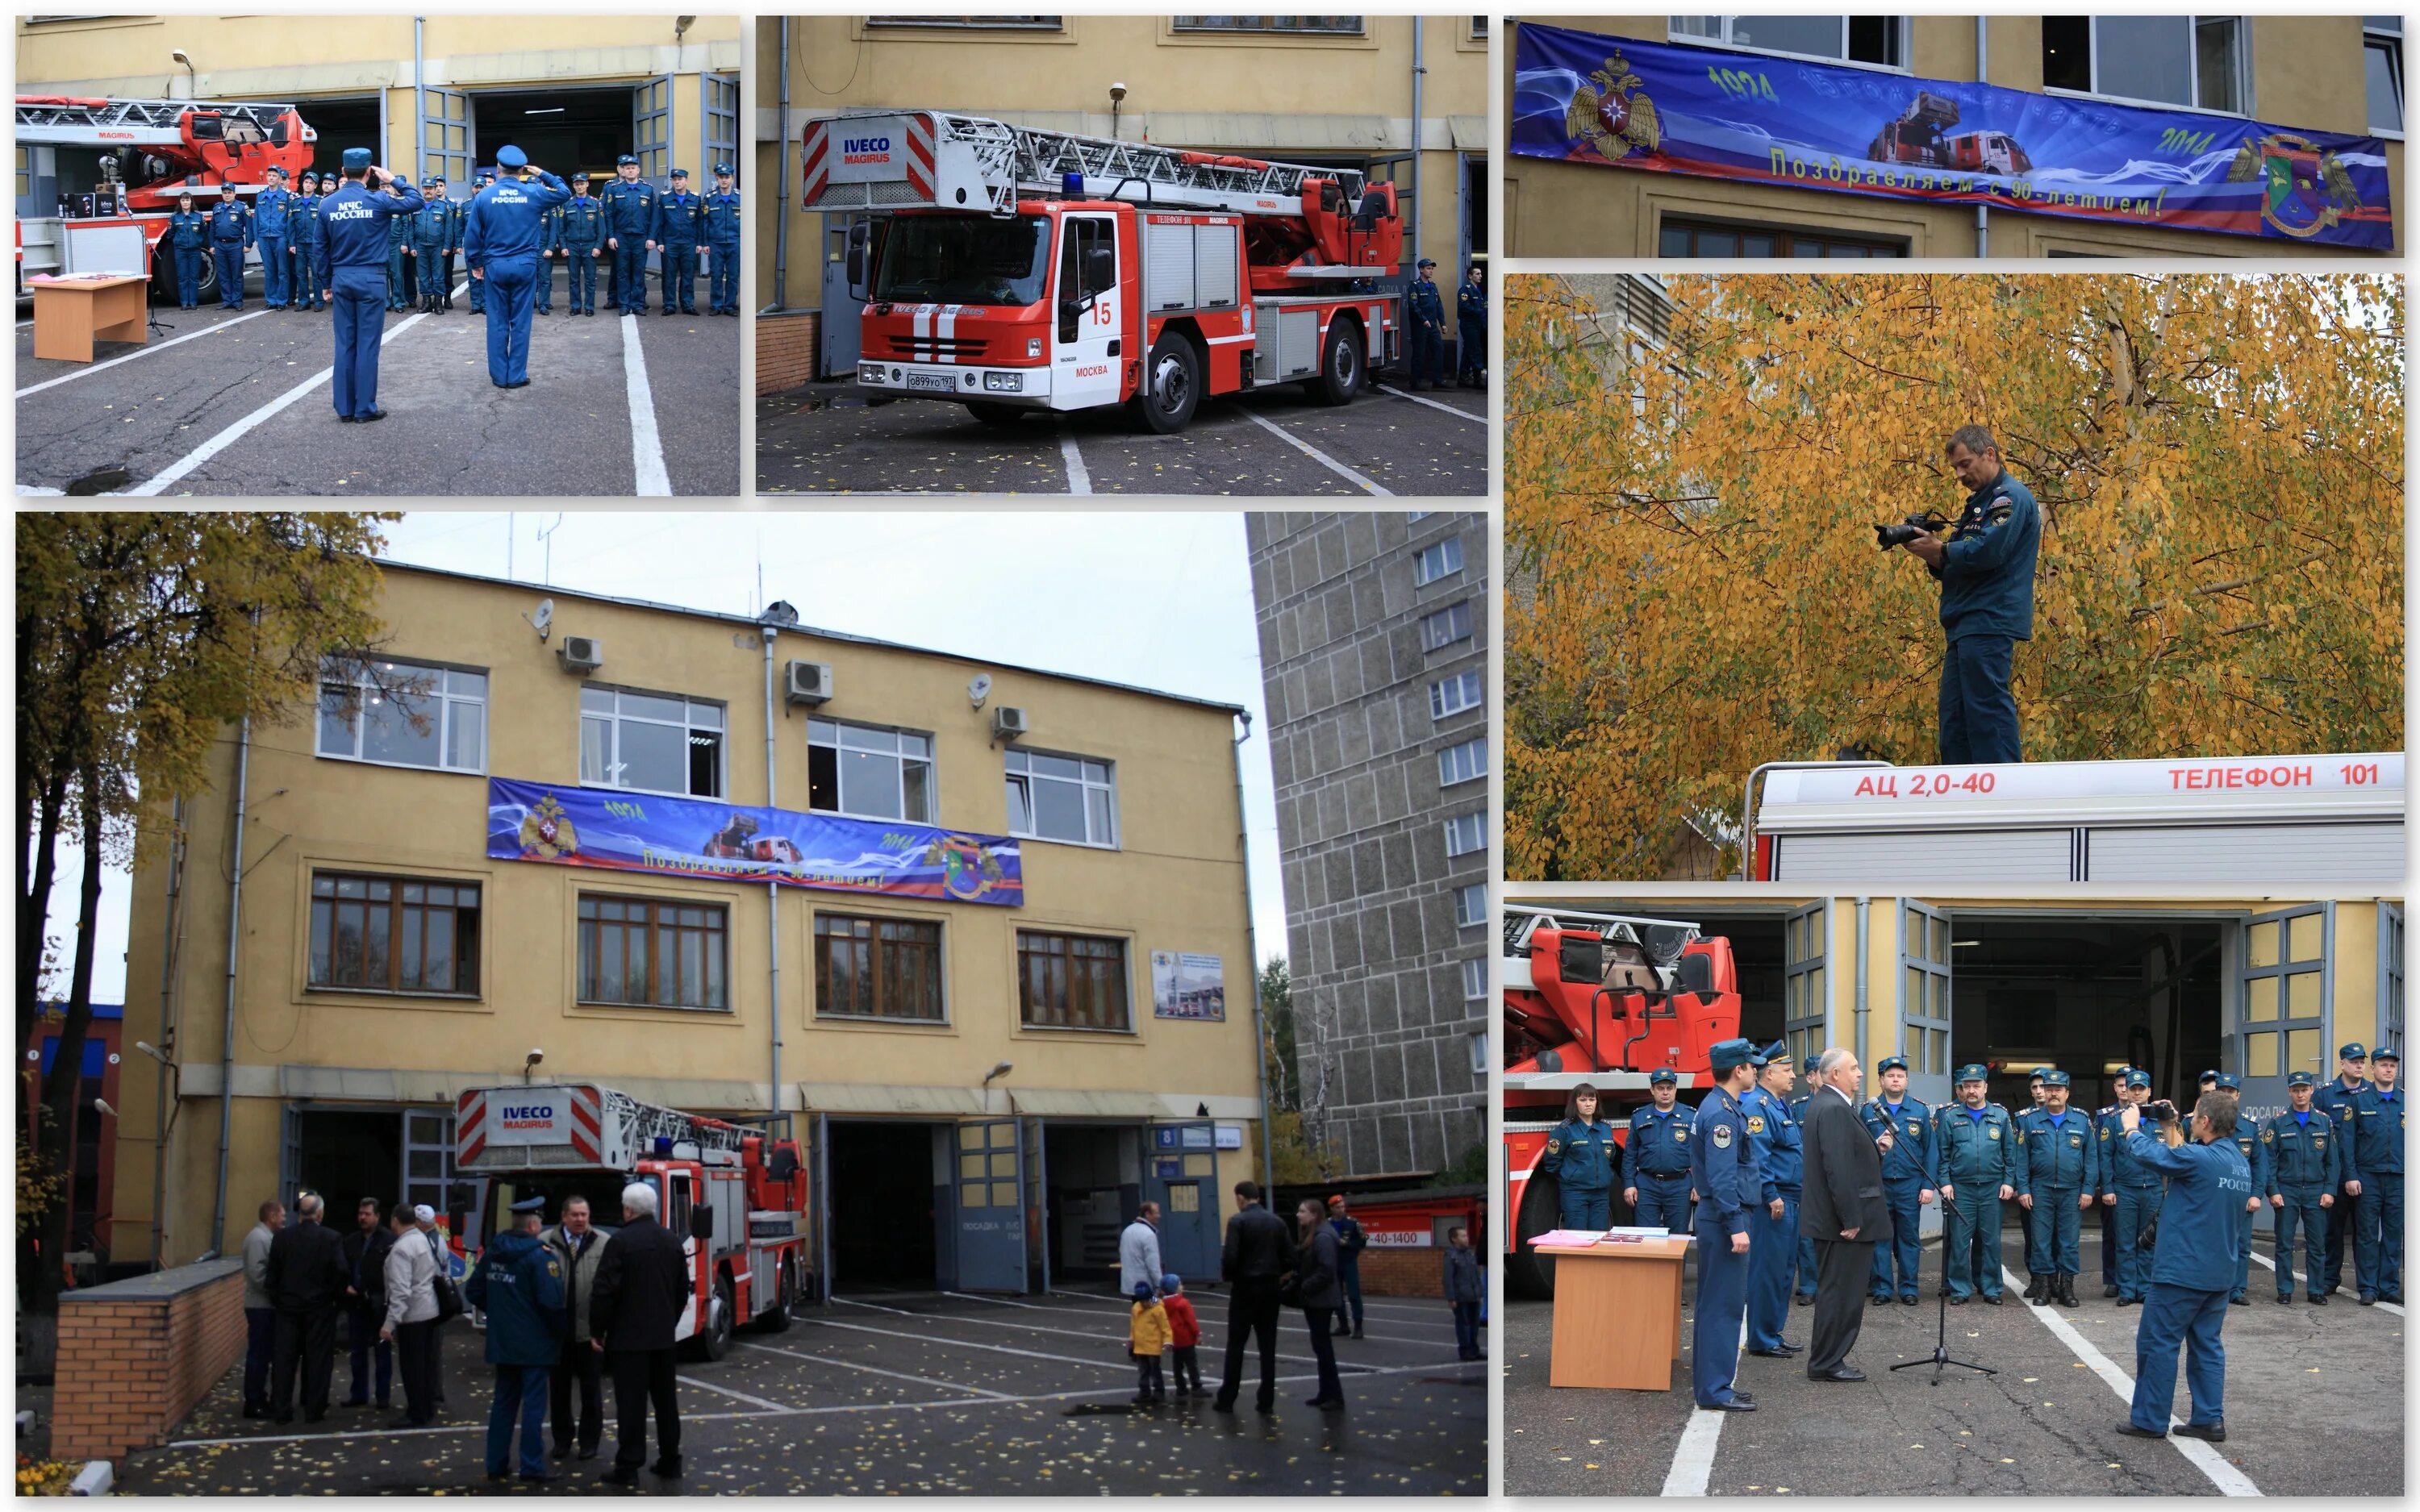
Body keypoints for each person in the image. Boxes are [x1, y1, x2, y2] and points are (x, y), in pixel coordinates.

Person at [1895, 423, 2040, 764]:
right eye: (1955, 468)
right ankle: (1961, 800)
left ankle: (2003, 796)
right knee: (1955, 720)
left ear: (1989, 454)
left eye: (1965, 464)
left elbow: (1989, 552)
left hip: (1989, 618)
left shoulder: (2010, 498)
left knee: (1986, 711)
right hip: (1964, 622)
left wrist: (1942, 550)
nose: (1960, 474)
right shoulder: (1978, 506)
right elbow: (1961, 557)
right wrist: (1932, 553)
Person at [2114, 1092, 2250, 1443]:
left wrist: (2131, 1130)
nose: (2190, 1118)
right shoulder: (2237, 1161)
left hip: (2182, 1271)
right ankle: (2208, 1419)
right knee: (2206, 1345)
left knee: (2157, 1343)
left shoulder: (2201, 1159)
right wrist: (2168, 1125)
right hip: (2219, 1272)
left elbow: (2156, 1155)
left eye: (2194, 1116)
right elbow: (2184, 1158)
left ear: (2206, 1122)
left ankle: (2149, 1419)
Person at [313, 150, 425, 423]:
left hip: (342, 278)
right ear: (369, 173)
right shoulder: (379, 199)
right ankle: (364, 408)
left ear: (342, 172)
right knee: (367, 345)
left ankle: (345, 408)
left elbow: (320, 249)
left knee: (344, 344)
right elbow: (417, 201)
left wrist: (325, 282)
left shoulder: (327, 204)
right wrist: (394, 179)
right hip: (372, 279)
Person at [1800, 1047, 1889, 1385]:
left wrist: (1874, 1150)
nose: (1860, 1073)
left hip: (1835, 1219)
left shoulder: (1830, 1104)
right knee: (1842, 1295)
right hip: (1842, 1224)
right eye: (1853, 1068)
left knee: (1839, 1292)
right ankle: (1827, 1361)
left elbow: (1845, 1159)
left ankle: (1827, 1359)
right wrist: (1851, 1218)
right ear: (1835, 1074)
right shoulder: (1834, 1107)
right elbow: (1836, 1169)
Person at [590, 1181, 687, 1484]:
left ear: (628, 1209)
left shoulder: (620, 1242)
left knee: (631, 1405)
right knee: (666, 1403)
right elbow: (682, 1289)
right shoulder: (671, 1240)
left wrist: (598, 1330)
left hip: (628, 1338)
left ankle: (629, 1466)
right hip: (662, 1337)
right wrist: (668, 1320)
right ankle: (670, 1459)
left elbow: (604, 1290)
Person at [465, 1196, 566, 1483]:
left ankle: (495, 1463)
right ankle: (531, 1465)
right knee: (533, 1407)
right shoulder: (541, 1256)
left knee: (503, 1405)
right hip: (534, 1345)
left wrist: (500, 1314)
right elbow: (552, 1303)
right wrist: (558, 1333)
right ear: (534, 1226)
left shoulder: (494, 1253)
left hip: (503, 1342)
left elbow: (474, 1291)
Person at [1688, 1037, 1761, 1408]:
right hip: (1723, 1218)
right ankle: (1715, 1390)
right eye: (1752, 1066)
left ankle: (1712, 1385)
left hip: (1719, 1216)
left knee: (1713, 1304)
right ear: (1738, 1070)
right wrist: (1736, 1225)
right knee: (1723, 1306)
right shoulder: (1720, 1113)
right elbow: (1721, 1177)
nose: (1756, 1071)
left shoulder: (1720, 1107)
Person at [462, 144, 572, 389]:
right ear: (522, 170)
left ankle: (500, 376)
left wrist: (475, 263)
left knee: (497, 321)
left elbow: (471, 237)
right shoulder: (533, 192)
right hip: (524, 264)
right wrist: (543, 174)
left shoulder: (484, 196)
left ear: (498, 169)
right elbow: (565, 192)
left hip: (495, 265)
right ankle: (517, 375)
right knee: (520, 322)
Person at [2013, 1068, 2101, 1309]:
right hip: (2040, 1189)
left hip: (2072, 1190)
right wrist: (2023, 1188)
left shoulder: (2082, 1121)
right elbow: (2021, 1158)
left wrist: (2088, 1189)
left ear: (2067, 1093)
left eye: (2057, 1090)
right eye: (2049, 1089)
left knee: (2069, 1241)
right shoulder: (2030, 1121)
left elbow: (2091, 1158)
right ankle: (2043, 1288)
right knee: (2040, 1241)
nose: (2052, 1094)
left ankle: (2067, 1289)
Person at [265, 1190, 350, 1422]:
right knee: (318, 1360)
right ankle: (314, 1408)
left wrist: (278, 1299)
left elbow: (271, 1275)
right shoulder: (331, 1238)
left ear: (300, 1214)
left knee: (284, 1360)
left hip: (288, 1309)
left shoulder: (282, 1238)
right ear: (319, 1214)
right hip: (319, 1308)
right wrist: (336, 1299)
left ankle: (281, 1409)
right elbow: (341, 1271)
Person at [1741, 1042, 1803, 1358]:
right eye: (1787, 1070)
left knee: (1783, 1270)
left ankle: (1773, 1333)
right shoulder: (1758, 1105)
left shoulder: (1779, 1104)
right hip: (1773, 1202)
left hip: (1790, 1198)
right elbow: (1758, 1157)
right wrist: (1771, 1194)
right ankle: (1762, 1338)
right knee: (1767, 1271)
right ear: (1769, 1073)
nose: (1794, 1075)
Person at [1859, 1056, 1937, 1306]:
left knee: (1909, 1239)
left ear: (1906, 1080)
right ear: (1881, 1081)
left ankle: (1909, 1288)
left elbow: (1930, 1151)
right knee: (1880, 1238)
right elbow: (1858, 1150)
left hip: (1910, 1185)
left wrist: (1927, 1186)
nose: (1896, 1079)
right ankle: (1882, 1288)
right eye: (1890, 1076)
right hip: (1878, 1184)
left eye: (1900, 1076)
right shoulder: (1868, 1110)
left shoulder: (1919, 1110)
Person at [1935, 1064, 2016, 1305]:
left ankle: (1991, 1289)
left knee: (1991, 1242)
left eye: (1976, 1086)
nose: (1972, 1090)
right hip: (1962, 1189)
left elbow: (2010, 1154)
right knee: (1959, 1242)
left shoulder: (2000, 1116)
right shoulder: (1951, 1117)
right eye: (1967, 1086)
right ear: (1962, 1089)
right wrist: (1945, 1183)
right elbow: (1943, 1156)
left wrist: (2009, 1182)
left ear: (1985, 1087)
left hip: (1992, 1187)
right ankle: (1960, 1290)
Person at [2264, 1071, 2345, 1305]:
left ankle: (2316, 1290)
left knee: (2318, 1244)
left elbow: (2333, 1161)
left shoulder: (2324, 1121)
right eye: (2296, 1090)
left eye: (2304, 1089)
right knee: (2284, 1243)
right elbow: (2269, 1160)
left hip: (2316, 1190)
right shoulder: (2278, 1122)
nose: (2300, 1094)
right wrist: (2273, 1190)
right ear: (2290, 1092)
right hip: (2287, 1190)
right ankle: (2285, 1290)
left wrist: (2330, 1190)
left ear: (2312, 1090)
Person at [1212, 1181, 1289, 1414]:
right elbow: (1290, 1256)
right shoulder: (1277, 1222)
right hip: (1270, 1288)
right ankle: (1266, 1399)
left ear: (1240, 1198)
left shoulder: (1238, 1221)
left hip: (1245, 1288)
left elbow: (1231, 1257)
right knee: (1268, 1345)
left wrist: (1231, 1277)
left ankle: (1228, 1397)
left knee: (1236, 1344)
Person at [544, 1194, 611, 1460]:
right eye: (575, 1215)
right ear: (564, 1217)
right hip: (557, 1333)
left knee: (591, 1391)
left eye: (584, 1215)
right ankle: (562, 1441)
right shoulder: (545, 1243)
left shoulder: (604, 1243)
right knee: (559, 1391)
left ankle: (589, 1442)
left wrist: (604, 1328)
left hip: (590, 1333)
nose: (580, 1219)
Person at [2101, 1070, 2166, 1307]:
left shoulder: (2162, 1119)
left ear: (2149, 1092)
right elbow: (2105, 1158)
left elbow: (2175, 1151)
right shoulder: (2113, 1120)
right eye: (2133, 1088)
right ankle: (2128, 1289)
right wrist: (2107, 1188)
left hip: (2153, 1189)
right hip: (2125, 1189)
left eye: (2142, 1088)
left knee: (2149, 1241)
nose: (2137, 1092)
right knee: (2125, 1242)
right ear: (2125, 1091)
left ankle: (2146, 1289)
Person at [378, 1205, 441, 1426]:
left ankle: (416, 1412)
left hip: (412, 1314)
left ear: (395, 1220)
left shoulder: (402, 1248)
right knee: (424, 1365)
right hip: (428, 1309)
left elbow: (401, 1290)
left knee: (412, 1367)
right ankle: (426, 1408)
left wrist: (389, 1323)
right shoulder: (423, 1239)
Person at [2316, 1043, 2371, 1296]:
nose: (2359, 1065)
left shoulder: (2371, 1092)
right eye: (2354, 1061)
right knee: (2333, 1230)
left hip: (2366, 1173)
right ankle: (2329, 1279)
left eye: (2362, 1061)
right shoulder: (2326, 1095)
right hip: (2336, 1175)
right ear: (2342, 1064)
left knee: (2366, 1231)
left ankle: (2368, 1283)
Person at [2351, 1047, 2403, 1305]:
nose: (2389, 1069)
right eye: (2383, 1065)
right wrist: (2351, 1176)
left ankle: (2390, 1286)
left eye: (2392, 1065)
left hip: (2400, 1178)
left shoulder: (2407, 1101)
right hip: (2368, 1177)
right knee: (2368, 1235)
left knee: (2394, 1235)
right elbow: (2347, 1143)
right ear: (2373, 1069)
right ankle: (2369, 1288)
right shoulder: (2360, 1100)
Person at [2208, 1073, 2265, 1305]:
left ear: (2238, 1095)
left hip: (2242, 1197)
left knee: (2241, 1246)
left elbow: (2260, 1164)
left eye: (2231, 1092)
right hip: (2214, 1196)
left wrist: (2256, 1195)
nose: (2227, 1096)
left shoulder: (2250, 1127)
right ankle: (2213, 1287)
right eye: (2222, 1092)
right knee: (2213, 1243)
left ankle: (2237, 1289)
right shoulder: (2207, 1124)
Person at [1288, 1198, 1345, 1410]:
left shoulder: (1323, 1237)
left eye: (1302, 1211)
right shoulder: (1316, 1235)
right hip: (1317, 1299)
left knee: (1324, 1348)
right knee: (1320, 1347)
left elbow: (1326, 1270)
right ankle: (1325, 1392)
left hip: (1322, 1299)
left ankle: (1334, 1395)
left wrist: (1305, 1287)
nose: (1298, 1214)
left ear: (1314, 1215)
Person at [340, 1196, 395, 1408]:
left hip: (378, 1303)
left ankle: (383, 1397)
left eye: (367, 1214)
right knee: (357, 1352)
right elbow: (343, 1266)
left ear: (377, 1216)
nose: (362, 1218)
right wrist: (346, 1286)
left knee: (382, 1352)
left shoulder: (388, 1240)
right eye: (360, 1214)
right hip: (357, 1303)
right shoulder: (351, 1241)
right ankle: (358, 1394)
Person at [1621, 1069, 1692, 1233]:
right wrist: (1629, 1185)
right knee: (1647, 1239)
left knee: (1678, 1239)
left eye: (1669, 1087)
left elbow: (1699, 1154)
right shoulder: (1639, 1116)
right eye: (1660, 1088)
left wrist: (1699, 1185)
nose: (1665, 1092)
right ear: (1652, 1090)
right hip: (1647, 1186)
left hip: (1680, 1186)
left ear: (1675, 1089)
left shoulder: (1690, 1116)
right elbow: (1630, 1154)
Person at [1546, 1081, 1617, 1231]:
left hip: (1601, 1194)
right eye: (1583, 1100)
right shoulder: (1564, 1130)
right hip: (1575, 1194)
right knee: (1577, 1238)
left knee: (1600, 1237)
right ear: (1574, 1103)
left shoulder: (1605, 1128)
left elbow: (1610, 1157)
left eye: (1592, 1100)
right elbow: (1552, 1162)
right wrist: (1570, 1178)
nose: (1588, 1104)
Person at [240, 1199, 285, 1418]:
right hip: (261, 1306)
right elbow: (259, 1275)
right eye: (282, 1215)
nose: (284, 1219)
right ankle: (254, 1400)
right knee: (259, 1355)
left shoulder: (264, 1237)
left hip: (263, 1305)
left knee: (263, 1353)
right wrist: (277, 1292)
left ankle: (258, 1396)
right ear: (272, 1216)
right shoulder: (259, 1238)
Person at [600, 154, 657, 316]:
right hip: (621, 237)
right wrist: (610, 236)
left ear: (638, 170)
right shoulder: (615, 189)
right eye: (627, 168)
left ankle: (638, 304)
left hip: (640, 237)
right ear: (623, 171)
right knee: (623, 272)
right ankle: (624, 304)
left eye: (633, 168)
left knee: (638, 272)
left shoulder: (648, 189)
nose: (630, 170)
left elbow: (654, 216)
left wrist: (651, 237)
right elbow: (609, 214)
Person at [411, 1206, 453, 1407]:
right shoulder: (440, 1241)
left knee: (427, 1348)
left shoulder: (422, 1242)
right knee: (435, 1348)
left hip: (428, 1299)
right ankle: (435, 1389)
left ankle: (430, 1391)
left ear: (420, 1223)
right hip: (438, 1298)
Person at [1789, 1056, 1821, 1305]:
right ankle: (1809, 1285)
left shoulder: (1845, 1106)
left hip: (1832, 1179)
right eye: (1822, 1072)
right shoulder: (1797, 1108)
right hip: (1806, 1179)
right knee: (1807, 1235)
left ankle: (1831, 1284)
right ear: (1810, 1077)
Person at [654, 166, 703, 315]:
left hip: (689, 243)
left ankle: (687, 304)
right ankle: (669, 304)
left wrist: (699, 243)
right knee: (669, 275)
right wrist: (660, 241)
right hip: (670, 242)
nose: (677, 182)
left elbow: (700, 223)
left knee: (688, 275)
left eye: (680, 179)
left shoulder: (695, 198)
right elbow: (659, 222)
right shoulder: (664, 198)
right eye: (674, 180)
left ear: (686, 181)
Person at [558, 173, 606, 315]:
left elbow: (601, 228)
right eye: (577, 184)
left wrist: (598, 246)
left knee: (590, 279)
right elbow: (561, 228)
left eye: (582, 183)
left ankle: (589, 307)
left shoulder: (595, 203)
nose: (579, 186)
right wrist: (563, 246)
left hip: (590, 246)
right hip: (572, 246)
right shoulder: (567, 204)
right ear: (573, 186)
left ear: (587, 184)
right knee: (573, 279)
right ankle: (575, 306)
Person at [1325, 1194, 1368, 1339]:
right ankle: (1343, 1325)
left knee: (1354, 1294)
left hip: (1349, 1262)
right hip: (1333, 1263)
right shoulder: (1327, 1224)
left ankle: (1358, 1326)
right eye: (1337, 1208)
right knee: (1336, 1296)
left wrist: (1347, 1244)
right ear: (1331, 1208)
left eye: (1343, 1207)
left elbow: (1362, 1242)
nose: (1341, 1210)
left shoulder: (1352, 1223)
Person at [702, 163, 741, 314]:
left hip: (735, 243)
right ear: (716, 178)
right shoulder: (709, 198)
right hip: (715, 243)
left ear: (732, 179)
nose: (724, 180)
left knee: (733, 276)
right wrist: (705, 242)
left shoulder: (740, 198)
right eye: (721, 177)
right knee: (716, 275)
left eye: (727, 177)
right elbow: (705, 222)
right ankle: (717, 305)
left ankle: (730, 305)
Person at [207, 182, 252, 310]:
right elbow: (212, 228)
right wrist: (212, 245)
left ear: (234, 193)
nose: (227, 195)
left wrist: (248, 244)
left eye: (229, 192)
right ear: (222, 194)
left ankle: (237, 301)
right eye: (225, 193)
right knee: (223, 274)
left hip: (235, 245)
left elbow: (249, 227)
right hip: (220, 245)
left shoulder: (242, 207)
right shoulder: (217, 208)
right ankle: (227, 300)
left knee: (236, 274)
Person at [253, 165, 294, 309]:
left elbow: (290, 220)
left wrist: (289, 240)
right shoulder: (260, 195)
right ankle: (271, 300)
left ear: (279, 179)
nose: (271, 178)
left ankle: (282, 301)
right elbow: (256, 218)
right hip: (264, 237)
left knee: (282, 271)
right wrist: (257, 238)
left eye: (274, 176)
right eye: (269, 175)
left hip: (280, 237)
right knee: (269, 271)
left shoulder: (286, 196)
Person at [1159, 1274, 1207, 1397]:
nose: (1182, 1286)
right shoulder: (1183, 1302)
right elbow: (1191, 1320)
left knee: (1177, 1366)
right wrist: (1198, 1334)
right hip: (1186, 1339)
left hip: (1174, 1339)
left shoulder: (1162, 1304)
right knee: (1191, 1364)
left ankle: (1181, 1387)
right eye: (1180, 1284)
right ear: (1175, 1288)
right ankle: (1196, 1386)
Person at [411, 177, 453, 314]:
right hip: (421, 246)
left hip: (438, 247)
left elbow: (449, 229)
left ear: (435, 190)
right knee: (422, 276)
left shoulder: (443, 206)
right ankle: (426, 302)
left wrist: (447, 246)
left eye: (430, 188)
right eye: (425, 188)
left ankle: (438, 303)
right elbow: (410, 228)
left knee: (438, 276)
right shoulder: (416, 206)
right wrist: (412, 246)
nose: (428, 191)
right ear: (422, 189)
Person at [1442, 1225, 1483, 1360]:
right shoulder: (1451, 1256)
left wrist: (1480, 1294)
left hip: (1473, 1296)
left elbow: (1476, 1276)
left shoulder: (1469, 1254)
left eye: (1466, 1236)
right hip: (1461, 1297)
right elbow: (1448, 1278)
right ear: (1454, 1239)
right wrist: (1451, 1298)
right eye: (1463, 1236)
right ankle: (1465, 1351)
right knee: (1463, 1324)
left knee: (1474, 1325)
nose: (1466, 1238)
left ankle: (1474, 1349)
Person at [1128, 1280, 1170, 1405]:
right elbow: (1134, 1326)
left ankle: (1159, 1392)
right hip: (1140, 1346)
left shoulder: (1158, 1310)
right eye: (1142, 1301)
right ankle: (1144, 1391)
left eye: (1146, 1300)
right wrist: (1132, 1339)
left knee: (1155, 1370)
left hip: (1153, 1346)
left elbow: (1165, 1327)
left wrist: (1168, 1341)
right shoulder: (1136, 1308)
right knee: (1143, 1371)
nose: (1145, 1303)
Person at [1406, 256, 1445, 390]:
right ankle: (1415, 382)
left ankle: (1437, 380)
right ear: (1421, 270)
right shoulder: (1415, 286)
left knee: (1439, 350)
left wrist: (1443, 323)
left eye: (1432, 268)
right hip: (1420, 327)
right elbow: (1414, 306)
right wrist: (1424, 320)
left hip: (1433, 325)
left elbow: (1438, 305)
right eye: (1428, 268)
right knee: (1419, 354)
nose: (1431, 271)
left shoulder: (1433, 287)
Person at [383, 175, 417, 311]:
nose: (392, 189)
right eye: (391, 187)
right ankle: (385, 302)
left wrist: (404, 243)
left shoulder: (400, 204)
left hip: (396, 244)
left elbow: (406, 226)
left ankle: (399, 302)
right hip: (383, 245)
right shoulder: (383, 203)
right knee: (383, 274)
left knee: (397, 275)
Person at [1119, 1202, 1164, 1300]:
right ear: (1147, 1214)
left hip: (1131, 1283)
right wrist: (1159, 1284)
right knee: (1154, 1309)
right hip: (1146, 1286)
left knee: (1138, 1311)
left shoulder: (1127, 1231)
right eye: (1156, 1213)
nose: (1159, 1216)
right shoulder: (1149, 1234)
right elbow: (1153, 1264)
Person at [1454, 262, 1486, 388]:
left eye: (1481, 274)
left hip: (1477, 324)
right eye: (1477, 274)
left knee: (1468, 351)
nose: (1480, 276)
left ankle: (1463, 377)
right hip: (1469, 324)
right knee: (1475, 350)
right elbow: (1464, 306)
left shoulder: (1477, 290)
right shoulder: (1465, 290)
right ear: (1470, 276)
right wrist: (1480, 312)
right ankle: (1477, 379)